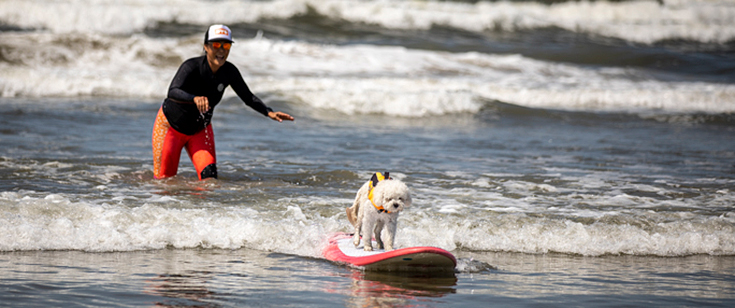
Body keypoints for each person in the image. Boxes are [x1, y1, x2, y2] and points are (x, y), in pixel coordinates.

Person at [152, 24, 294, 180]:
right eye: (216, 45)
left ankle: (196, 205)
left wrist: (268, 112)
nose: (221, 50)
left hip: (200, 131)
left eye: (226, 45)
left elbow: (248, 97)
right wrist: (194, 98)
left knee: (210, 180)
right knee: (164, 183)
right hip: (171, 128)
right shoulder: (191, 67)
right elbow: (172, 91)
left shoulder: (229, 71)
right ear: (206, 47)